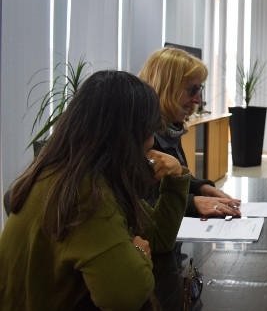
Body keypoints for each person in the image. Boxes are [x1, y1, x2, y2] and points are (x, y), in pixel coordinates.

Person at [0, 71, 190, 310]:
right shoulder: (86, 195)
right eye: (148, 132)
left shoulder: (73, 173)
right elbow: (126, 296)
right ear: (126, 135)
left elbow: (158, 237)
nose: (152, 142)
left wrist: (177, 176)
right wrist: (137, 253)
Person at [139, 47, 241, 218]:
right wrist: (191, 203)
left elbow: (174, 176)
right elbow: (135, 203)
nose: (198, 99)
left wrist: (200, 187)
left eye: (199, 89)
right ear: (167, 86)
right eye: (192, 89)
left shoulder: (169, 127)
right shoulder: (137, 135)